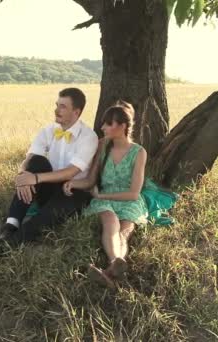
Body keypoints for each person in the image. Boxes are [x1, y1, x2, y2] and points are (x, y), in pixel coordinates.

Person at [0, 88, 98, 256]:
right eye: (57, 105)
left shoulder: (88, 137)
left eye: (63, 107)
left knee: (43, 217)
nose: (56, 110)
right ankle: (9, 227)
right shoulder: (49, 130)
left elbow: (70, 172)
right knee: (36, 161)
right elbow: (29, 159)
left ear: (76, 112)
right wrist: (24, 177)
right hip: (49, 188)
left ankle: (4, 247)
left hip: (73, 192)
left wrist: (35, 178)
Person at [62, 101, 148, 287]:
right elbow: (91, 180)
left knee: (124, 233)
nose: (102, 127)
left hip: (128, 200)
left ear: (122, 126)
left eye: (108, 124)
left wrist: (100, 196)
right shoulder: (102, 146)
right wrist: (73, 183)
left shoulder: (139, 152)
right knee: (111, 222)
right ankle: (114, 265)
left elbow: (134, 194)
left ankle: (110, 271)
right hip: (105, 199)